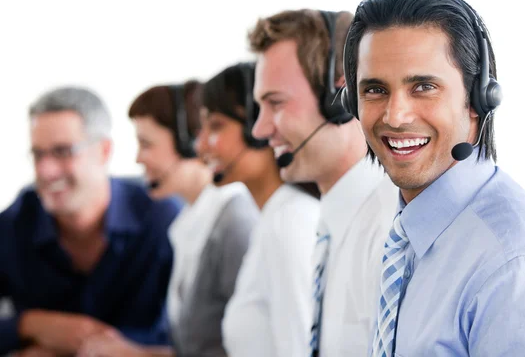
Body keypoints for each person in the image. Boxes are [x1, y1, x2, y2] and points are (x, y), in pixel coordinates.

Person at [341, 0, 525, 356]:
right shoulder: (410, 236)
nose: (395, 116)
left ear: (479, 100)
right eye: (375, 90)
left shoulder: (518, 268)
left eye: (424, 86)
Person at [250, 9, 398, 357]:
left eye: (275, 103)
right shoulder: (331, 222)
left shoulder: (391, 236)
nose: (259, 129)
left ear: (341, 101)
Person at [77, 80, 259, 357]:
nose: (138, 158)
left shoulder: (234, 222)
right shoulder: (190, 221)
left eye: (146, 144)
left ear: (190, 143)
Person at [0, 87, 181, 356]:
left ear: (104, 151)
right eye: (38, 154)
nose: (45, 171)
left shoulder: (163, 220)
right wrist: (31, 325)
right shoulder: (14, 225)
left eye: (63, 152)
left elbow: (205, 341)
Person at [196, 62, 320, 357]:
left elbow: (299, 349)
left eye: (216, 126)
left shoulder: (289, 221)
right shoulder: (273, 218)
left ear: (259, 127)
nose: (200, 145)